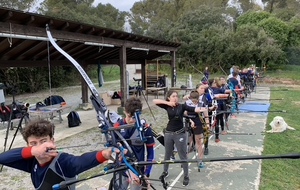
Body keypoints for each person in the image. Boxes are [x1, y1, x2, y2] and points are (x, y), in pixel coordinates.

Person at [0, 119, 118, 190]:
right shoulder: (32, 160)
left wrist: (105, 154)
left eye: (43, 141)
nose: (40, 147)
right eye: (33, 143)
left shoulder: (63, 161)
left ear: (52, 141)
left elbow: (80, 161)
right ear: (28, 146)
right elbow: (3, 158)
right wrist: (33, 151)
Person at [153, 90, 205, 187]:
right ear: (169, 98)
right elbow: (155, 101)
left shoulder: (182, 106)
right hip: (168, 133)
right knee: (167, 154)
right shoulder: (167, 105)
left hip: (180, 133)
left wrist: (206, 108)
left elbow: (194, 109)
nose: (176, 98)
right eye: (173, 96)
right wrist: (168, 103)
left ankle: (186, 176)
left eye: (176, 96)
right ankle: (165, 171)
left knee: (182, 156)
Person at [113, 97, 155, 190]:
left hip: (138, 171)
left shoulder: (145, 128)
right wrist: (118, 147)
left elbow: (150, 152)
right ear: (124, 111)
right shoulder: (117, 127)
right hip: (122, 169)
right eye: (129, 116)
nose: (131, 120)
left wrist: (146, 173)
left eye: (134, 117)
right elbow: (113, 146)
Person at [184, 90, 209, 169]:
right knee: (188, 143)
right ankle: (185, 161)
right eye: (193, 100)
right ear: (190, 98)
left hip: (198, 124)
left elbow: (206, 115)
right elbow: (184, 113)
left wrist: (207, 124)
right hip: (188, 124)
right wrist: (190, 121)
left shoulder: (202, 103)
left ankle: (200, 161)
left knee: (200, 143)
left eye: (196, 101)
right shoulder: (187, 103)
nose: (194, 102)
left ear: (198, 99)